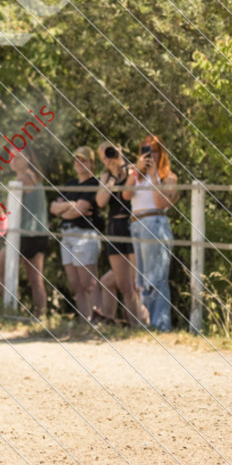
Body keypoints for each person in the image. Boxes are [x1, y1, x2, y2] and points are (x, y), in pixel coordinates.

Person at [123, 135, 179, 332]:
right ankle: (149, 324)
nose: (148, 154)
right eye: (144, 149)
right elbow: (126, 194)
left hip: (154, 223)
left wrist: (154, 175)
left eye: (153, 150)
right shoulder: (137, 175)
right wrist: (137, 170)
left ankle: (161, 326)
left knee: (156, 278)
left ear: (161, 153)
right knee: (142, 280)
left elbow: (161, 203)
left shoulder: (168, 177)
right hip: (136, 225)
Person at [93, 143, 148, 327]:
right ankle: (130, 325)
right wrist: (109, 182)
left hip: (132, 225)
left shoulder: (133, 170)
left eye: (111, 153)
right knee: (124, 285)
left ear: (119, 150)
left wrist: (124, 165)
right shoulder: (106, 177)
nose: (109, 159)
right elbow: (100, 202)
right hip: (114, 227)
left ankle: (141, 325)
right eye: (104, 157)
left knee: (135, 283)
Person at [0, 148, 49, 316]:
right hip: (40, 233)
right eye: (11, 157)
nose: (12, 161)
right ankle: (40, 316)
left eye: (17, 157)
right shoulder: (36, 177)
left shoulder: (23, 179)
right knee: (36, 281)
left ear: (27, 158)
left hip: (25, 235)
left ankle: (14, 309)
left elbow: (8, 208)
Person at [50, 146, 104, 322]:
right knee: (76, 284)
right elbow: (53, 208)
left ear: (91, 163)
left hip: (85, 235)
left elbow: (79, 210)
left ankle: (98, 318)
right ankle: (84, 318)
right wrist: (69, 206)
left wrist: (65, 208)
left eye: (84, 160)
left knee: (88, 282)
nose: (79, 163)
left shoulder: (94, 183)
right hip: (67, 235)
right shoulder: (71, 184)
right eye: (77, 160)